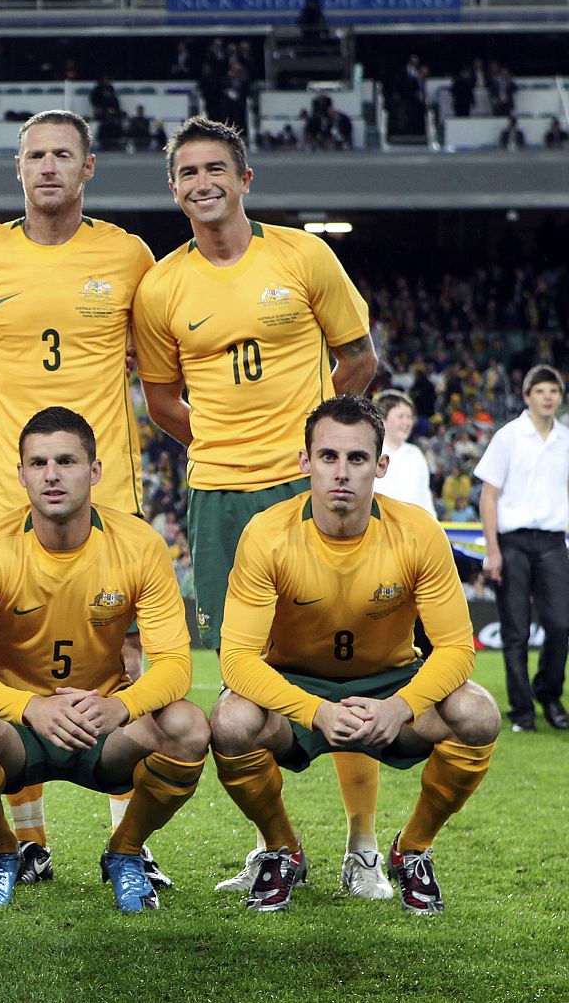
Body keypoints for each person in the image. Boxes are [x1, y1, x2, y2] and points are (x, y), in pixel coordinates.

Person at [131, 116, 387, 899]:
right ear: (173, 188)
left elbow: (359, 357)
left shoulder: (303, 255)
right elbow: (162, 398)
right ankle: (276, 845)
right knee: (244, 681)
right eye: (187, 173)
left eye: (216, 169)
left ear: (247, 180)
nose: (202, 182)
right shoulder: (161, 286)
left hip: (307, 493)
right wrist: (216, 444)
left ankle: (363, 846)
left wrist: (319, 450)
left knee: (352, 666)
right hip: (217, 497)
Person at [0, 109, 160, 891]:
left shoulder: (129, 255)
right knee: (10, 662)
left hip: (112, 494)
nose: (47, 167)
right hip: (12, 492)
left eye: (62, 155)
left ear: (89, 167)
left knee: (125, 657)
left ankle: (130, 842)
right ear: (17, 166)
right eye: (34, 155)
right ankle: (26, 838)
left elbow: (160, 351)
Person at [212, 396, 500, 913]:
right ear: (305, 463)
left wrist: (400, 707)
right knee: (231, 721)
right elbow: (236, 659)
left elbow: (456, 649)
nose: (341, 472)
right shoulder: (267, 535)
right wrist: (315, 711)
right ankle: (282, 849)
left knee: (477, 714)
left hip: (390, 684)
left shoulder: (418, 532)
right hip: (297, 689)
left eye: (357, 458)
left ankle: (411, 850)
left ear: (381, 465)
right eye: (327, 457)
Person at [0, 406, 206, 911]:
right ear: (19, 475)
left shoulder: (140, 545)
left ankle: (125, 851)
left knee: (188, 726)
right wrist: (31, 708)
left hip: (103, 726)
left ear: (95, 471)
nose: (52, 475)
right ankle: (1, 850)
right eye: (37, 464)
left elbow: (176, 665)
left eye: (66, 461)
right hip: (17, 732)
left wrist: (119, 708)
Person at [476, 364, 569, 733]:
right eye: (541, 391)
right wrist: (493, 550)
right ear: (527, 396)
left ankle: (547, 692)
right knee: (515, 630)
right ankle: (522, 711)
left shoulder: (565, 439)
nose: (549, 397)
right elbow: (489, 496)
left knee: (560, 625)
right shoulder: (508, 436)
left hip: (551, 542)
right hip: (512, 541)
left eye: (555, 391)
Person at [373, 390, 437, 518]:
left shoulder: (415, 454)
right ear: (381, 419)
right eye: (401, 416)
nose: (407, 422)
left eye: (409, 417)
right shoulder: (370, 453)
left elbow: (424, 497)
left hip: (414, 530)